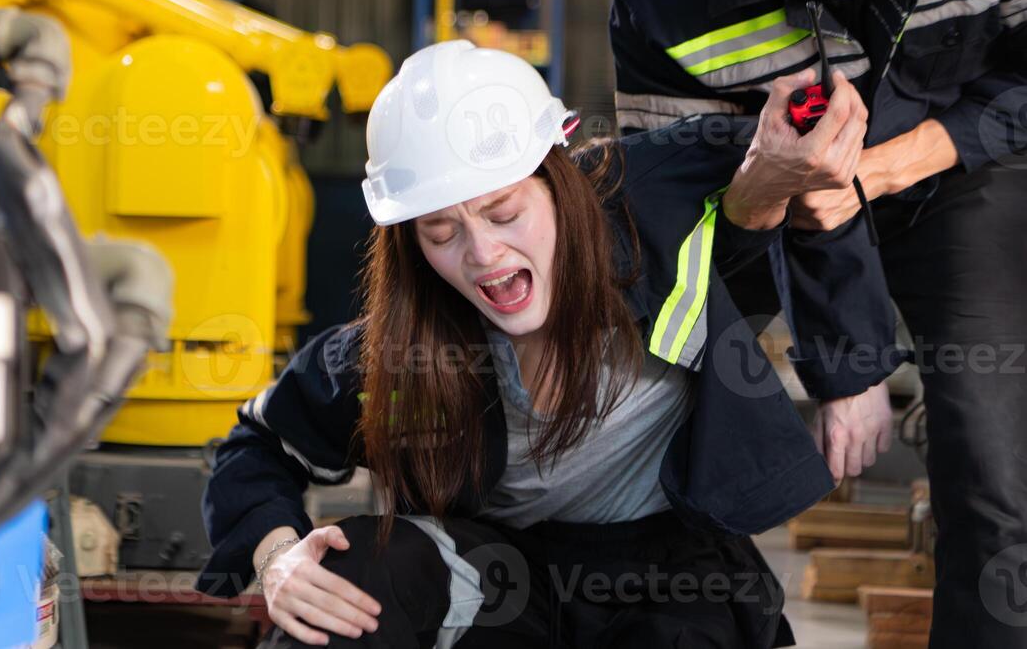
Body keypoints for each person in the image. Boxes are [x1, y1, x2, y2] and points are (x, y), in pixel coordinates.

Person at [196, 39, 869, 647]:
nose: (483, 254)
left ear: (558, 183)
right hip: (496, 577)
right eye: (439, 231)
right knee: (353, 580)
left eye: (504, 211)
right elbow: (255, 447)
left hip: (671, 575)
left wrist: (852, 371)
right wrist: (277, 555)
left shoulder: (650, 211)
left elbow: (793, 161)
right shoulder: (402, 349)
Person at [608, 0, 1027, 643]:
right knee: (656, 428)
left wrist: (891, 164)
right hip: (753, 204)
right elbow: (670, 218)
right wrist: (841, 361)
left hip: (954, 180)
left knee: (998, 466)